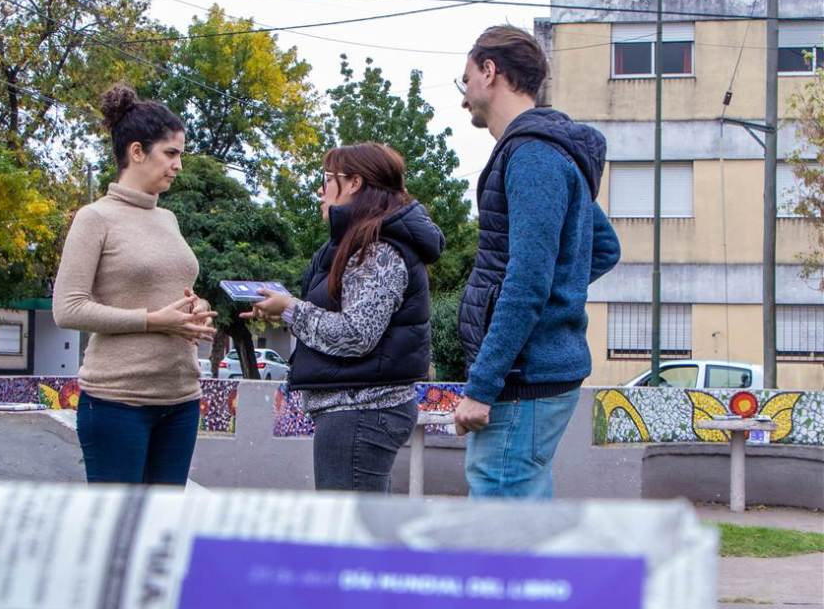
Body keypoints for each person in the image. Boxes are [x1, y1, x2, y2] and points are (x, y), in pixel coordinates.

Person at [453, 25, 621, 499]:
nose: (464, 94)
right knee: (523, 516)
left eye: (465, 79)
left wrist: (483, 386)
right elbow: (603, 247)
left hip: (523, 374)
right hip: (535, 368)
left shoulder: (532, 156)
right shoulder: (546, 153)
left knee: (504, 524)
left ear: (490, 71)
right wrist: (555, 288)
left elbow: (527, 280)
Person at [247, 143, 445, 493]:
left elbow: (356, 334)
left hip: (361, 412)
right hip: (356, 412)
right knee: (356, 533)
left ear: (354, 183)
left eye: (326, 179)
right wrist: (286, 312)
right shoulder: (360, 243)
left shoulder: (380, 248)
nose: (320, 191)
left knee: (347, 536)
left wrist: (292, 309)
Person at [53, 84, 215, 484]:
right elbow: (67, 308)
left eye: (181, 155)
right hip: (116, 402)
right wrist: (153, 320)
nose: (178, 165)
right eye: (171, 153)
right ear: (137, 151)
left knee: (158, 533)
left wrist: (193, 310)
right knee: (119, 535)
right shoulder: (95, 218)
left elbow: (165, 291)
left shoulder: (168, 219)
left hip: (181, 399)